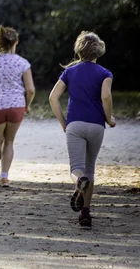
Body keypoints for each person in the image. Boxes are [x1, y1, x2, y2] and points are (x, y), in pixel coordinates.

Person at [49, 31, 115, 230]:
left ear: (78, 50)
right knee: (90, 168)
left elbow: (53, 97)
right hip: (96, 126)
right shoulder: (105, 73)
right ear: (99, 50)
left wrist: (64, 123)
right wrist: (109, 118)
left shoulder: (70, 72)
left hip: (75, 125)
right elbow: (106, 97)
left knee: (76, 169)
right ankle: (85, 215)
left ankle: (79, 182)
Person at [0, 26, 35, 187]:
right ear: (16, 42)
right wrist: (27, 105)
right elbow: (30, 89)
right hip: (17, 105)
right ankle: (4, 176)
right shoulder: (23, 63)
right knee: (9, 141)